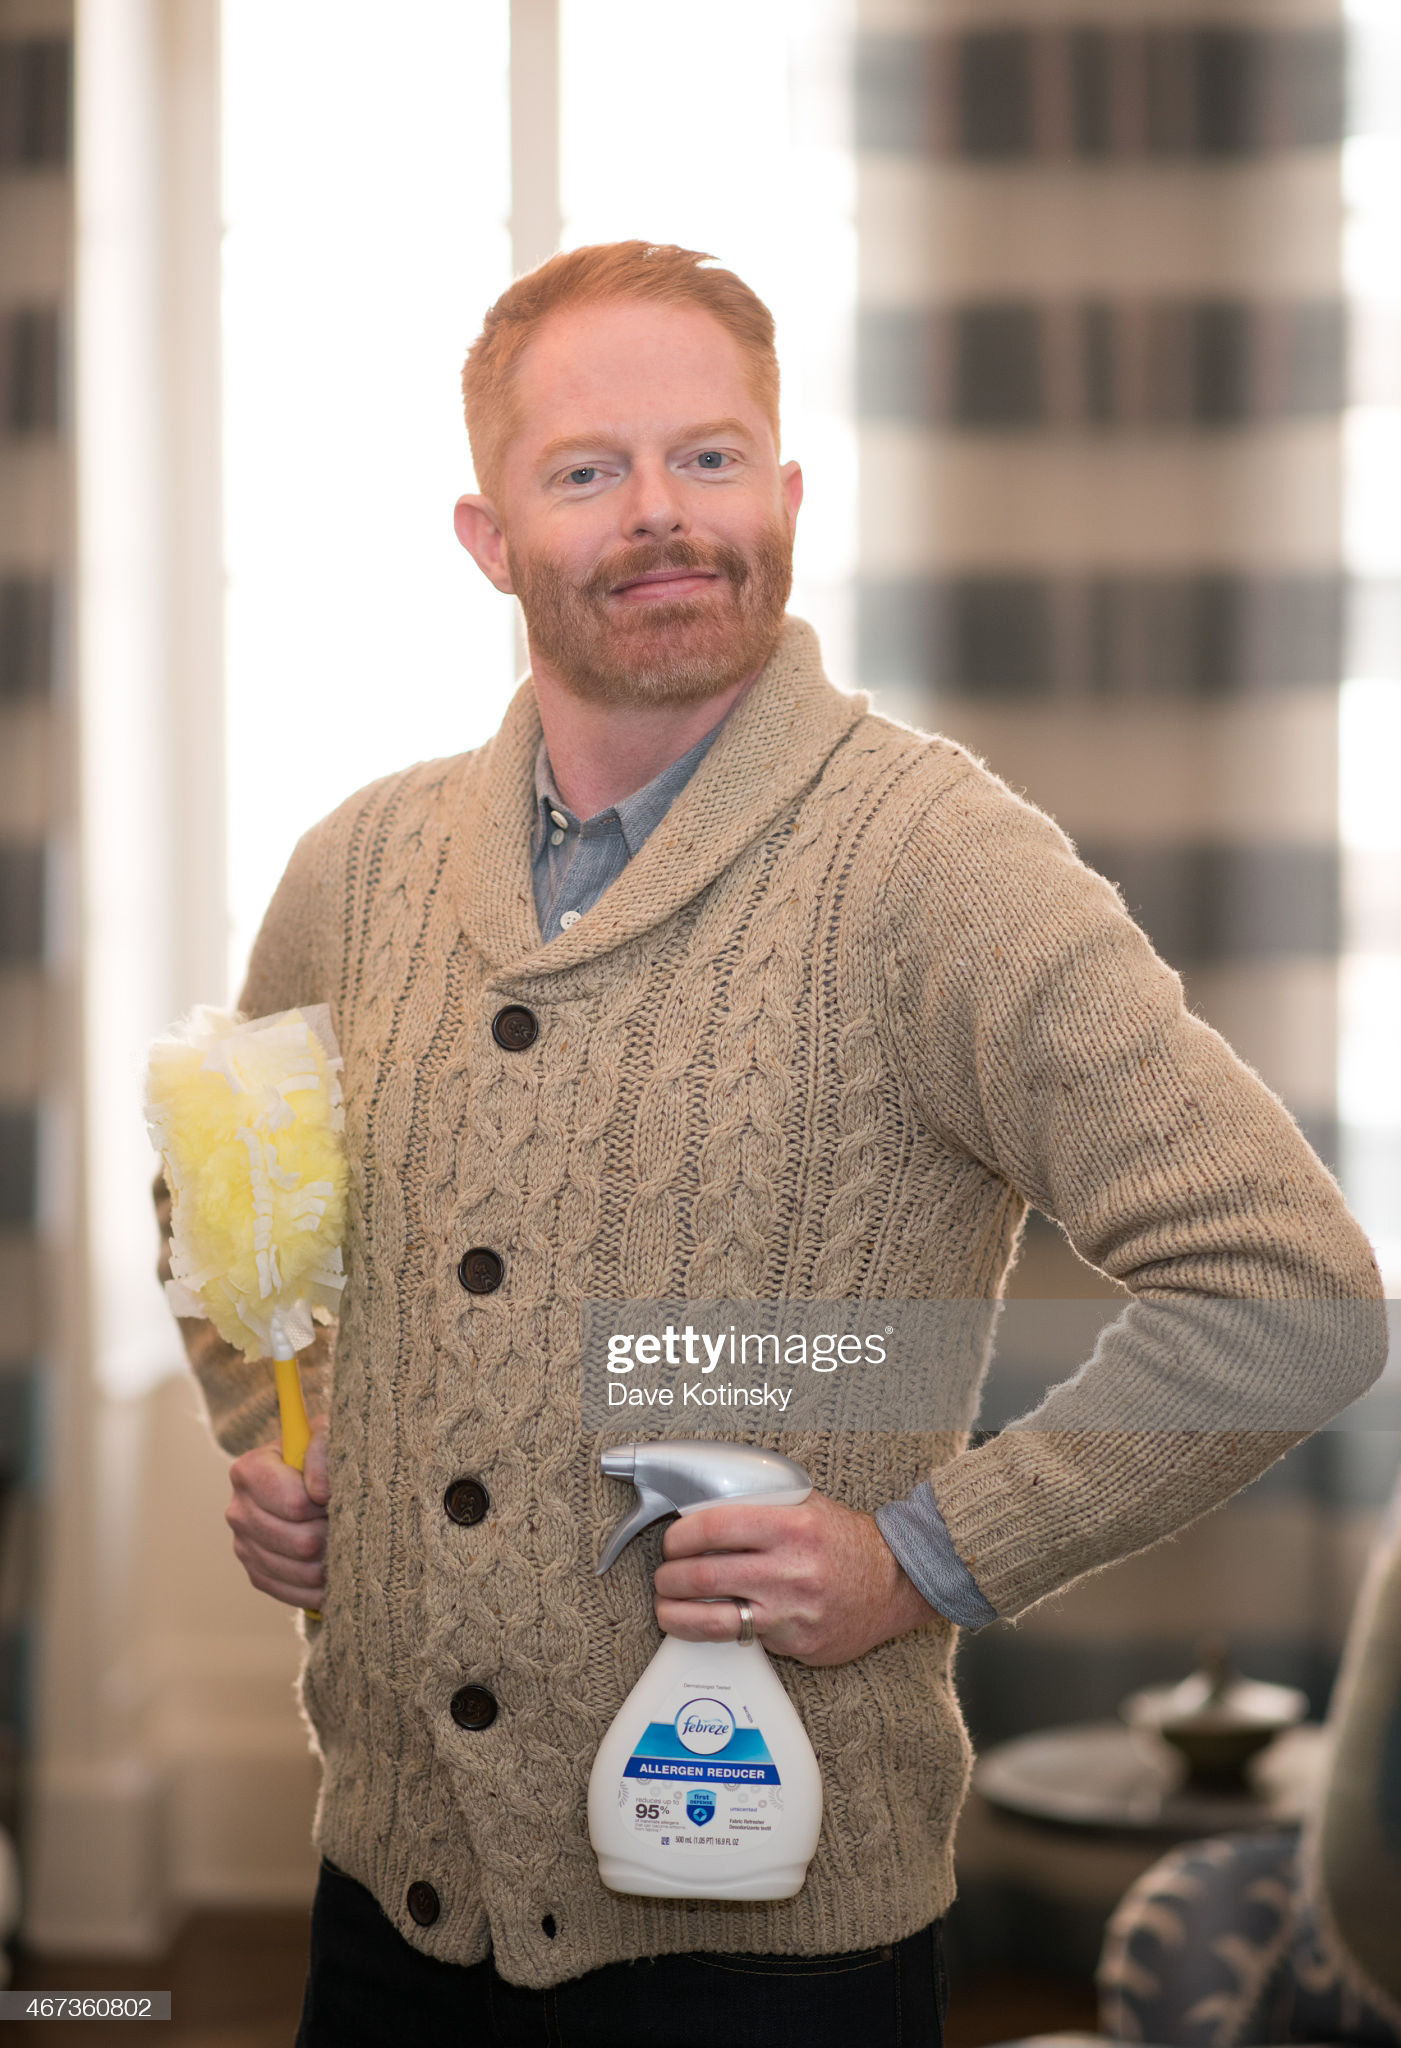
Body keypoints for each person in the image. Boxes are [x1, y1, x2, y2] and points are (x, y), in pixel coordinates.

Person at [162, 242, 1385, 2048]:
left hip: (764, 1935)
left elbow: (1295, 1296)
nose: (662, 515)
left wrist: (923, 1557)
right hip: (390, 1903)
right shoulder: (355, 867)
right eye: (587, 472)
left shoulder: (937, 865)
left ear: (788, 493)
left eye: (710, 457)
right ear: (488, 537)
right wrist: (300, 1439)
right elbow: (234, 1221)